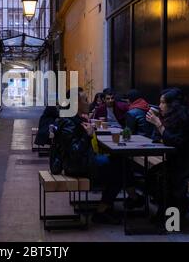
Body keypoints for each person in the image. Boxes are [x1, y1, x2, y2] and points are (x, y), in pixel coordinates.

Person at [55, 88, 142, 224]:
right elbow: (75, 152)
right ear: (76, 103)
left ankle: (129, 200)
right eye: (85, 100)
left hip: (82, 161)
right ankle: (105, 209)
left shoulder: (73, 119)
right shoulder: (68, 122)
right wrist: (87, 136)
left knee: (120, 161)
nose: (88, 103)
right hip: (77, 166)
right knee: (120, 170)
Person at [146, 88, 189, 219]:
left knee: (169, 180)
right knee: (153, 174)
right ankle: (170, 211)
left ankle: (173, 220)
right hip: (181, 160)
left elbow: (176, 142)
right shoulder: (169, 118)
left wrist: (159, 125)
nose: (159, 106)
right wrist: (157, 125)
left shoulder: (185, 120)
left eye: (162, 103)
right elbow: (159, 138)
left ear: (172, 105)